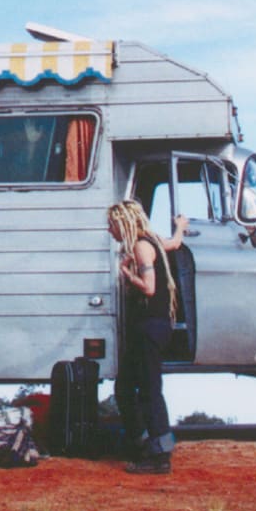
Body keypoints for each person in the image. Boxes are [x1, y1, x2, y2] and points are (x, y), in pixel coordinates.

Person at [108, 201, 188, 475]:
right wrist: (180, 228)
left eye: (112, 225)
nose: (109, 230)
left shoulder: (141, 247)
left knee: (149, 390)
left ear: (125, 223)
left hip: (149, 328)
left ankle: (159, 455)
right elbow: (174, 244)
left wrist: (128, 274)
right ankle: (143, 443)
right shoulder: (153, 241)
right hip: (154, 326)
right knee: (125, 388)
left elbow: (150, 288)